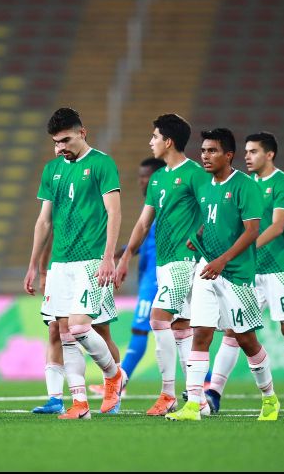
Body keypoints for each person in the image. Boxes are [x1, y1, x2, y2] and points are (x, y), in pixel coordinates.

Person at [166, 128, 279, 421]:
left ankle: (269, 399)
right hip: (208, 271)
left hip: (237, 276)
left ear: (228, 155)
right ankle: (194, 404)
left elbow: (252, 231)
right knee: (200, 334)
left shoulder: (245, 186)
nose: (205, 156)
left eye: (212, 151)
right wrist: (198, 236)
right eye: (203, 151)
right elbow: (211, 220)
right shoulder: (205, 186)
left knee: (247, 341)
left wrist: (222, 260)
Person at [24, 108, 125, 420]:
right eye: (56, 142)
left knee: (82, 328)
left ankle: (113, 375)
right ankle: (79, 405)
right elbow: (43, 222)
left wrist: (109, 257)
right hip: (60, 265)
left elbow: (114, 213)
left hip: (92, 261)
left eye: (65, 140)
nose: (60, 148)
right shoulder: (51, 170)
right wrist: (33, 265)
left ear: (83, 133)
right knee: (64, 333)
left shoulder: (102, 164)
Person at [207, 132, 284, 414]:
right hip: (250, 273)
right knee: (234, 331)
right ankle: (214, 394)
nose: (247, 156)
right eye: (246, 151)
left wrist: (245, 249)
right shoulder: (246, 184)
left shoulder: (283, 184)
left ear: (270, 154)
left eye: (254, 151)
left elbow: (278, 226)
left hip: (280, 269)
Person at [115, 114, 209, 416]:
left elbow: (215, 211)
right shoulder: (158, 179)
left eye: (155, 136)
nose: (151, 142)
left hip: (185, 260)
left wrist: (201, 238)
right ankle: (199, 399)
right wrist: (127, 256)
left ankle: (168, 393)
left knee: (158, 319)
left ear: (168, 141)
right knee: (181, 328)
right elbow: (144, 224)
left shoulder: (195, 174)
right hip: (163, 264)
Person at [88, 157, 165, 398]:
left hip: (156, 279)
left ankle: (121, 381)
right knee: (175, 331)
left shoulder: (164, 208)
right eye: (141, 177)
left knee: (141, 329)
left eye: (147, 177)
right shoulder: (154, 208)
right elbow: (141, 241)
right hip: (148, 276)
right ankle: (206, 381)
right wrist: (119, 256)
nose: (142, 181)